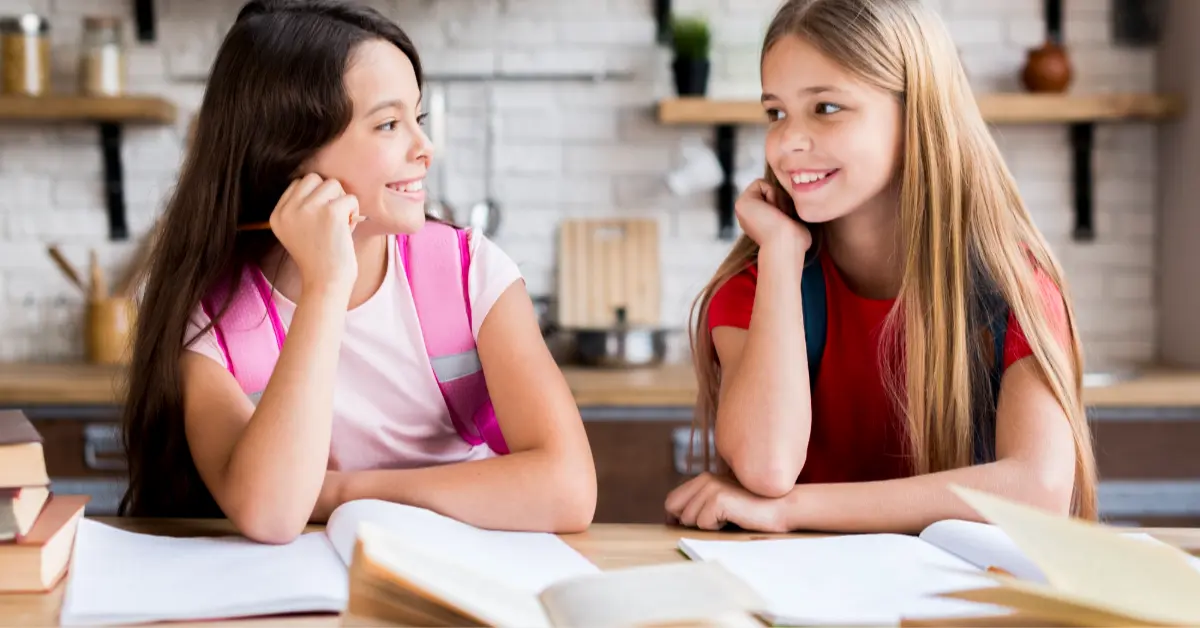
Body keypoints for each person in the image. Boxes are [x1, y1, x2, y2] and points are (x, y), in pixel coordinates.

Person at [119, 0, 596, 544]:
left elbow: (569, 488)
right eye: (390, 124)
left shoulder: (470, 273)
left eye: (415, 118)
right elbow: (272, 515)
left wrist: (341, 493)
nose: (425, 149)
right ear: (288, 153)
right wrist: (325, 286)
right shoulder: (213, 316)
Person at [665, 0, 1097, 534]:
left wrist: (794, 509)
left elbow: (1039, 489)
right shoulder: (756, 285)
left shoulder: (1013, 285)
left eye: (825, 108)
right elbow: (767, 465)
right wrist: (779, 250)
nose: (787, 142)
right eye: (775, 112)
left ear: (916, 113)